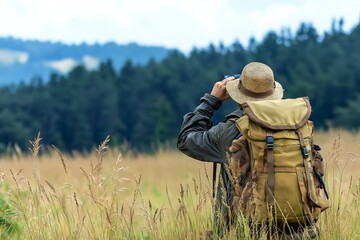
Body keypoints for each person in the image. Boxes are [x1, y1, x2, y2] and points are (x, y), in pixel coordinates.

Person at [177, 62, 284, 235]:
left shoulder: (231, 130)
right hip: (294, 227)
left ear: (238, 93)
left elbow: (186, 140)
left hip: (242, 230)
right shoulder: (295, 125)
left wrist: (211, 101)